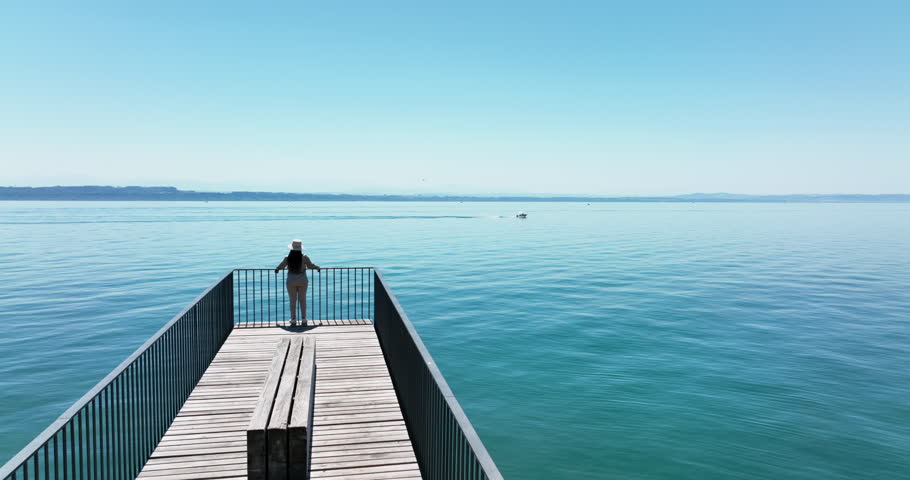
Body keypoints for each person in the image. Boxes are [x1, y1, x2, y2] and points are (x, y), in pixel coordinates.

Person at [275, 239, 321, 326]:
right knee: (302, 300)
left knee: (293, 300)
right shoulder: (304, 257)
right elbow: (311, 266)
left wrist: (277, 269)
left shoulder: (287, 258)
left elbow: (280, 266)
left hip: (291, 281)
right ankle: (304, 319)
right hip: (303, 280)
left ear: (291, 248)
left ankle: (293, 319)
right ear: (300, 248)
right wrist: (317, 267)